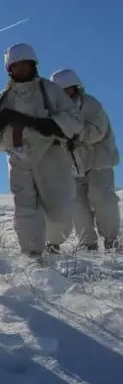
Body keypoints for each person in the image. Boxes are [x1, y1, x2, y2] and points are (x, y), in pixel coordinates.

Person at [0, 44, 82, 258]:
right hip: (17, 156)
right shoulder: (3, 97)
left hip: (50, 155)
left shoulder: (50, 90)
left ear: (32, 64)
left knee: (58, 211)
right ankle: (32, 254)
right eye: (15, 66)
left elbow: (73, 119)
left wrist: (40, 123)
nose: (20, 69)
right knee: (24, 208)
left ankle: (54, 243)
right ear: (9, 69)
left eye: (24, 64)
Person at [50, 68, 120, 251]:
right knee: (77, 206)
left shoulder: (91, 105)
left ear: (75, 87)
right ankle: (87, 243)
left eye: (67, 89)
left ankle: (112, 240)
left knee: (103, 200)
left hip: (98, 161)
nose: (65, 94)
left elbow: (97, 132)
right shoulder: (54, 112)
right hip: (72, 166)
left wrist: (72, 133)